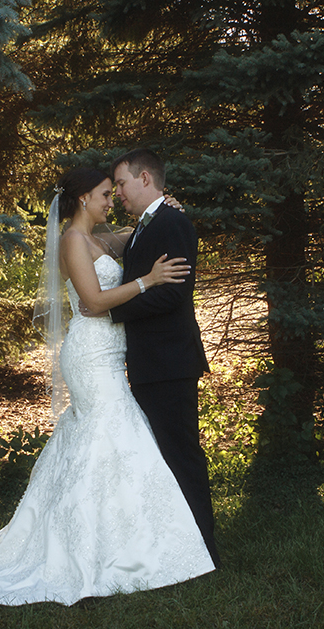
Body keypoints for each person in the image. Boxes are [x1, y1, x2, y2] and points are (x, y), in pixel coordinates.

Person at [0, 167, 216, 606]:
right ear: (83, 199)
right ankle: (96, 549)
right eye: (105, 194)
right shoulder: (72, 240)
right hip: (91, 353)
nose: (112, 200)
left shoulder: (100, 238)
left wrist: (166, 208)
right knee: (107, 434)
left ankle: (122, 541)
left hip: (110, 352)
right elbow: (91, 303)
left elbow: (139, 232)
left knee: (108, 438)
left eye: (115, 192)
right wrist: (148, 280)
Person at [104, 148, 219, 567]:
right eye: (114, 187)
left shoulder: (173, 221)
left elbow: (173, 293)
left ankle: (205, 551)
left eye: (121, 183)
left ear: (146, 178)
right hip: (153, 363)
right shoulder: (143, 226)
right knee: (163, 457)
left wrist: (110, 308)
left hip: (170, 361)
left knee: (182, 456)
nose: (118, 193)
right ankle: (176, 546)